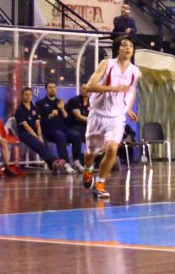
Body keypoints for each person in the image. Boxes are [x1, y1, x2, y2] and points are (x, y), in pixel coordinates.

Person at [82, 37, 141, 199]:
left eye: (131, 45)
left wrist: (128, 108)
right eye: (124, 45)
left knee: (112, 149)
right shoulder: (106, 64)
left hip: (117, 117)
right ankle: (87, 169)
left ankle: (100, 183)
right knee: (90, 153)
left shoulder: (135, 72)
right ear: (118, 49)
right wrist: (114, 88)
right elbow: (89, 87)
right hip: (98, 115)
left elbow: (131, 90)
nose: (128, 48)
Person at [13, 87, 67, 172]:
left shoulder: (35, 108)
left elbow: (38, 123)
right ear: (22, 96)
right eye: (26, 95)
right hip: (24, 133)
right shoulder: (19, 110)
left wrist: (39, 135)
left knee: (43, 141)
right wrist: (36, 137)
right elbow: (26, 126)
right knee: (38, 142)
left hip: (35, 132)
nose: (28, 96)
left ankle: (52, 165)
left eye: (30, 94)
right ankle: (55, 160)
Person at [36, 81, 83, 173]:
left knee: (76, 135)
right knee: (60, 136)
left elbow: (68, 121)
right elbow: (39, 122)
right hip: (48, 130)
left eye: (54, 87)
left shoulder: (61, 102)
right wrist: (50, 116)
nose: (52, 89)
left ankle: (76, 162)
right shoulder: (40, 103)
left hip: (62, 128)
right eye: (50, 87)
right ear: (46, 89)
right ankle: (65, 163)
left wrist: (62, 109)